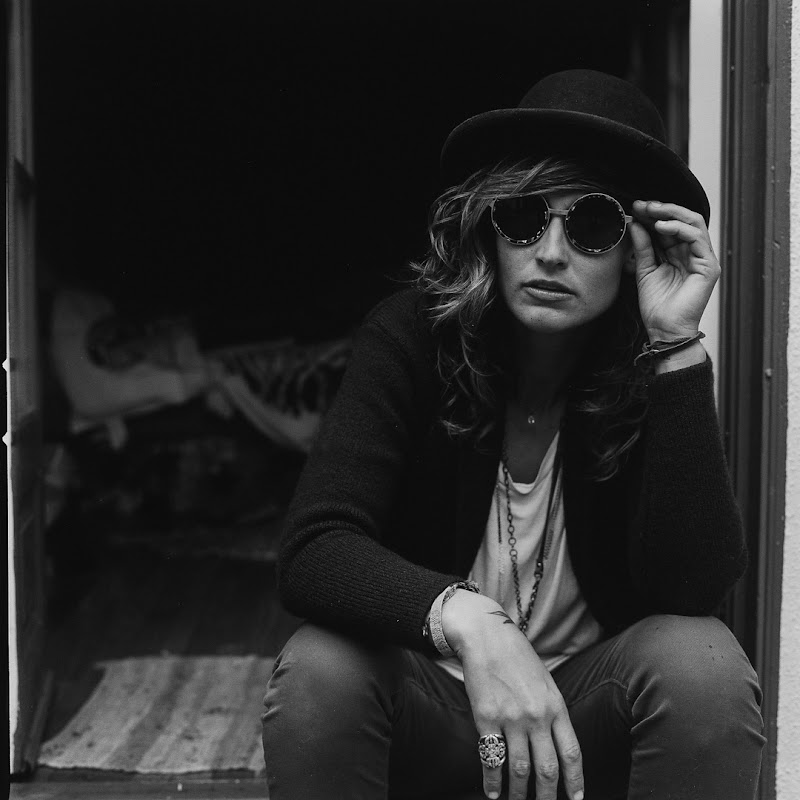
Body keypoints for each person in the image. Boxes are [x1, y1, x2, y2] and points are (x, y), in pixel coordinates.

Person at [261, 69, 765, 800]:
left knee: (702, 665)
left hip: (582, 729)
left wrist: (677, 348)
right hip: (436, 711)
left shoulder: (650, 372)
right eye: (524, 216)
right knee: (320, 668)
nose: (552, 252)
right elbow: (315, 548)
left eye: (592, 226)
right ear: (488, 230)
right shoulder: (411, 339)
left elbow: (696, 590)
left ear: (638, 250)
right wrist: (474, 624)